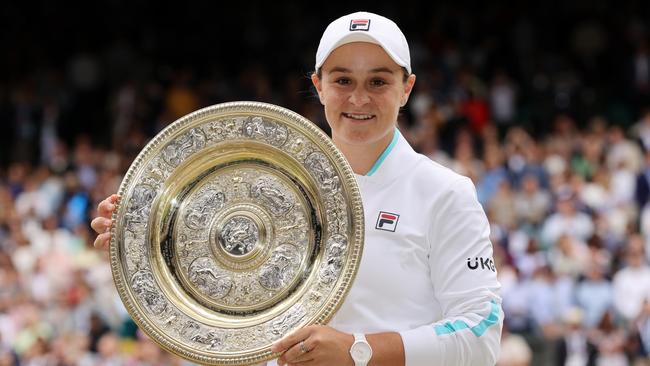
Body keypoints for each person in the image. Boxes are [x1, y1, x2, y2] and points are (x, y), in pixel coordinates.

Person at [91, 11, 503, 366]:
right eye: (343, 80)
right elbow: (227, 333)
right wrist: (142, 251)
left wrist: (358, 351)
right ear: (319, 85)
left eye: (378, 82)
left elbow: (480, 333)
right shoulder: (263, 187)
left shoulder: (445, 193)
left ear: (406, 88)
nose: (359, 98)